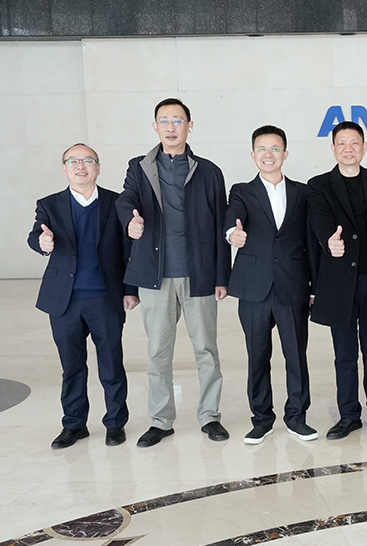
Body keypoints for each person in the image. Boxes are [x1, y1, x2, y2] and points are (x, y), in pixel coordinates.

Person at [116, 98, 231, 447]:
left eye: (177, 120)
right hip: (155, 276)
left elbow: (220, 225)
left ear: (189, 126)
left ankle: (210, 416)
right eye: (164, 121)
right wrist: (131, 220)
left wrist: (221, 276)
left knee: (206, 350)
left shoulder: (209, 171)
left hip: (199, 274)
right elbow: (125, 199)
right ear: (155, 127)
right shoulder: (139, 167)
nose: (170, 127)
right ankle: (161, 420)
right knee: (157, 353)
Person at [28, 144, 139, 449]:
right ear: (64, 169)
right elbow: (36, 235)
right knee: (72, 366)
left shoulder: (116, 203)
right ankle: (74, 425)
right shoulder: (49, 204)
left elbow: (128, 250)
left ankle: (115, 423)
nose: (81, 166)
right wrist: (42, 243)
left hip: (106, 297)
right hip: (64, 301)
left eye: (88, 160)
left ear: (98, 167)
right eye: (73, 161)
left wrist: (130, 290)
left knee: (111, 364)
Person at [307, 121, 367, 440]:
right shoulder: (319, 185)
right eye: (342, 143)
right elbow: (319, 221)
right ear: (333, 148)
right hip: (339, 284)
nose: (348, 149)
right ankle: (348, 415)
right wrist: (329, 241)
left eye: (354, 143)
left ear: (364, 147)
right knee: (345, 355)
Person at [226, 125, 320, 444]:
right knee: (257, 357)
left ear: (285, 153)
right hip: (254, 288)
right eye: (262, 149)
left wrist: (313, 287)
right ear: (253, 155)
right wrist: (232, 233)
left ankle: (296, 417)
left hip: (293, 286)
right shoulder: (241, 190)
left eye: (275, 148)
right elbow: (233, 216)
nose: (269, 154)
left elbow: (310, 242)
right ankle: (262, 419)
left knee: (296, 356)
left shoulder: (302, 192)